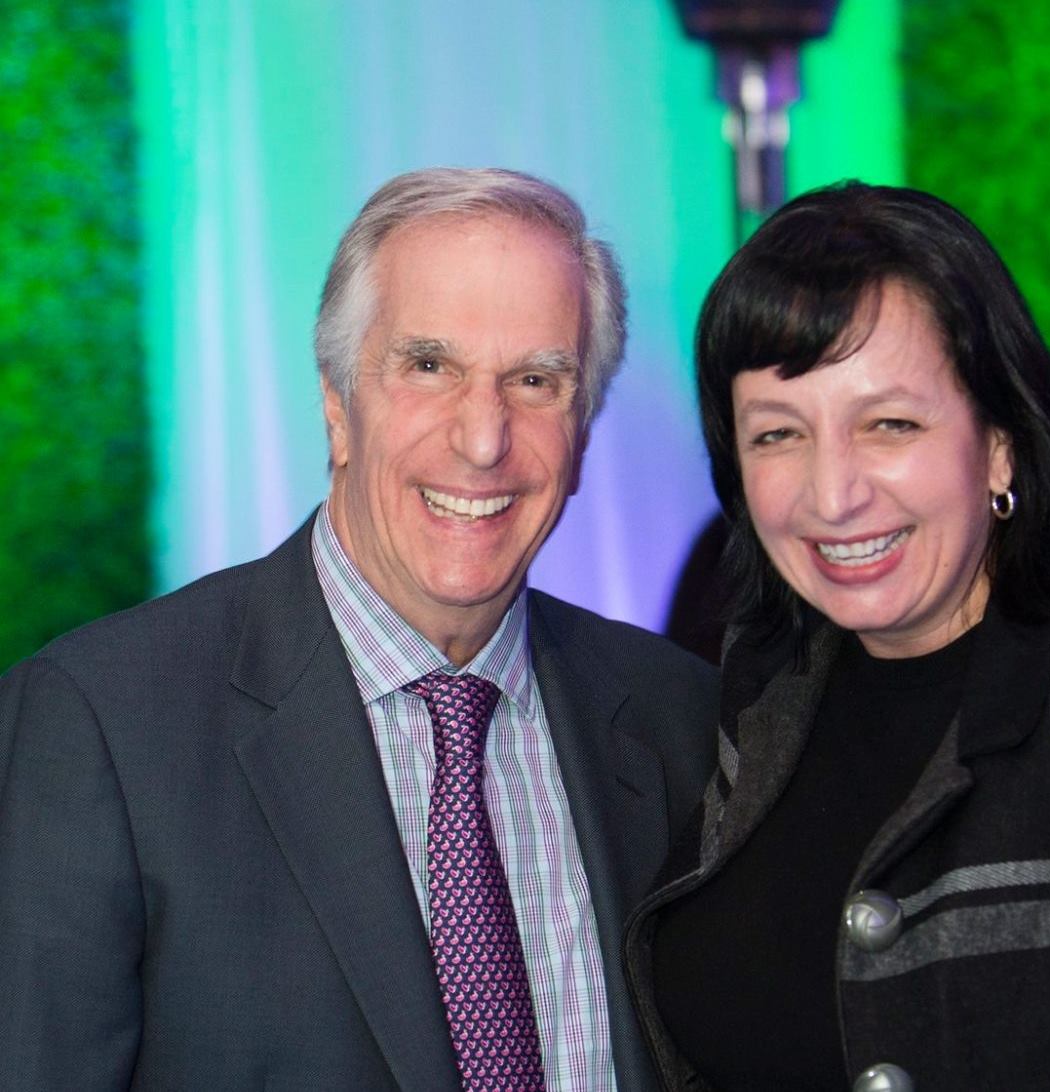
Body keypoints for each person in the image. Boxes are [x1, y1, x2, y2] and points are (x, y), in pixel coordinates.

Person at [0, 167, 718, 1091]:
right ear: (337, 406)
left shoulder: (680, 719)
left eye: (536, 381)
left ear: (582, 432)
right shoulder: (101, 725)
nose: (484, 439)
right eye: (429, 367)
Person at [623, 182, 1050, 1091]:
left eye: (890, 425)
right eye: (778, 435)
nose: (833, 495)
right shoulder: (753, 698)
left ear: (999, 443)